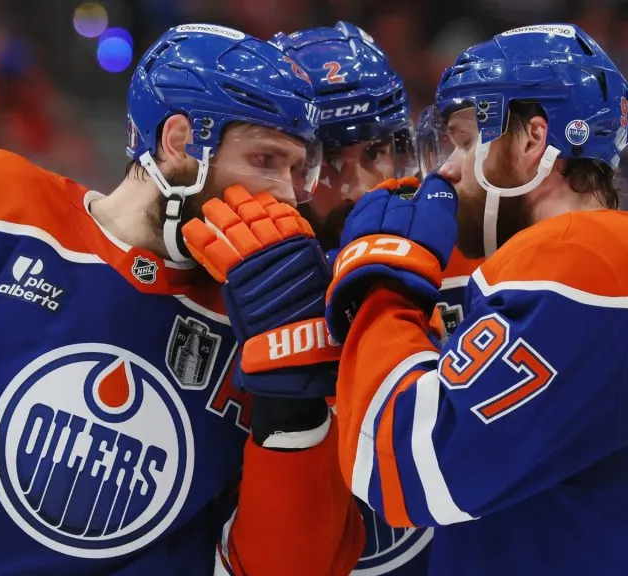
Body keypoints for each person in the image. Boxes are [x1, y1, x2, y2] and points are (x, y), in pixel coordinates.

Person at [0, 23, 363, 576]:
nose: (288, 195)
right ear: (179, 141)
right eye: (266, 160)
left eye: (297, 169)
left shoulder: (283, 317)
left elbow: (287, 565)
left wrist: (295, 403)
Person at [323, 23, 628, 574]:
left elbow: (409, 466)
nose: (447, 170)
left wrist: (382, 289)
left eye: (465, 139)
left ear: (532, 141)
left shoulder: (582, 261)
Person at [269, 21, 481, 575]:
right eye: (328, 161)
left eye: (381, 150)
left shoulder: (473, 262)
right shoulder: (233, 281)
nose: (362, 186)